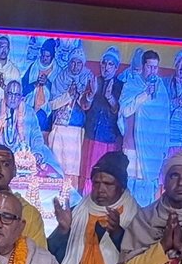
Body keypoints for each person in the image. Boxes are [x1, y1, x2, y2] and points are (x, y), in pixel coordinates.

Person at [120, 50, 171, 200]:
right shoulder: (132, 84)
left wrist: (164, 146)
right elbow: (125, 110)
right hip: (133, 145)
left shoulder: (160, 87)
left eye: (155, 67)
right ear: (143, 66)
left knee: (148, 187)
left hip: (153, 147)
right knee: (130, 184)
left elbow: (164, 118)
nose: (153, 71)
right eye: (149, 67)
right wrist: (145, 94)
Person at [46, 46, 93, 190]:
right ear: (69, 62)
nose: (75, 66)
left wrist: (82, 95)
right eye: (73, 62)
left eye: (79, 63)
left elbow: (87, 105)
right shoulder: (60, 78)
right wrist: (68, 95)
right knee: (56, 165)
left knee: (72, 169)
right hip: (59, 128)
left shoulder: (87, 79)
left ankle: (70, 197)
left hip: (76, 130)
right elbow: (52, 104)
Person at [83, 47, 125, 188]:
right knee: (88, 172)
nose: (106, 67)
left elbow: (119, 111)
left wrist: (109, 97)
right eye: (104, 63)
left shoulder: (120, 86)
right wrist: (91, 95)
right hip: (90, 134)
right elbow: (85, 106)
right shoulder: (94, 81)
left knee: (103, 173)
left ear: (116, 67)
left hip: (108, 137)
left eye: (110, 64)